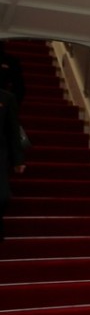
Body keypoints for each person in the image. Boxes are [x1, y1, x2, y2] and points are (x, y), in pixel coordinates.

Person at [0, 86, 25, 240]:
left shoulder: (6, 98)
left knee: (3, 196)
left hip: (0, 155)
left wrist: (18, 159)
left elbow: (13, 131)